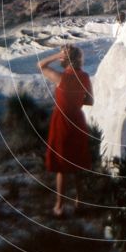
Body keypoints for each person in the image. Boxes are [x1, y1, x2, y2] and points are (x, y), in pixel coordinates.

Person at [38, 45, 94, 217]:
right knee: (77, 164)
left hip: (62, 122)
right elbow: (90, 101)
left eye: (63, 57)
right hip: (77, 120)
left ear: (65, 59)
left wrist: (56, 55)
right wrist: (75, 101)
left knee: (62, 167)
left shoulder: (60, 78)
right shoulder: (84, 77)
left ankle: (59, 206)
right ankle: (79, 202)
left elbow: (40, 65)